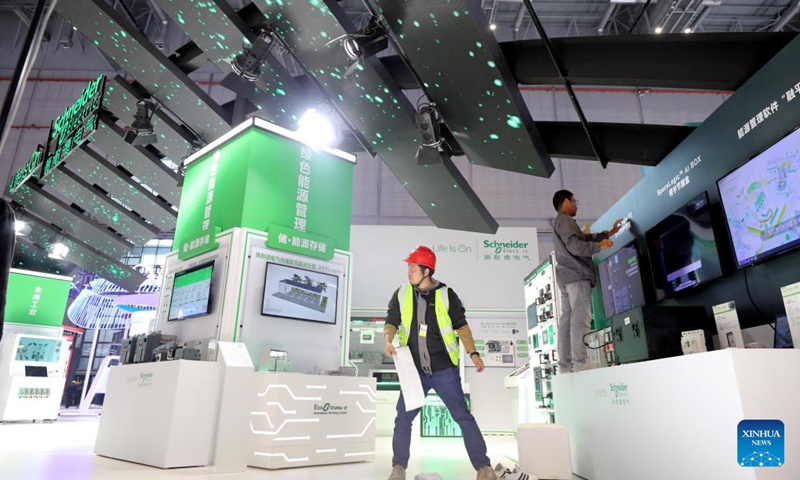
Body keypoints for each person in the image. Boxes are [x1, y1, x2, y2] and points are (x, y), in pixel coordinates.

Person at [384, 246, 496, 480]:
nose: (408, 272)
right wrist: (387, 339)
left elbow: (461, 326)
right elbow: (392, 319)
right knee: (403, 418)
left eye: (413, 268)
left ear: (426, 271)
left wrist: (473, 353)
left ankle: (484, 468)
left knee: (463, 417)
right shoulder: (402, 293)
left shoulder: (446, 294)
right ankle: (398, 467)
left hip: (444, 370)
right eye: (408, 267)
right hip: (414, 372)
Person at [552, 190, 623, 373]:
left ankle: (566, 366)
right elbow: (575, 246)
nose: (576, 205)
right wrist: (599, 246)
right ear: (566, 201)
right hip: (576, 275)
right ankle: (581, 361)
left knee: (568, 320)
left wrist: (609, 233)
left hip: (566, 276)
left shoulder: (560, 222)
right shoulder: (565, 221)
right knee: (580, 319)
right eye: (574, 201)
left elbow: (584, 238)